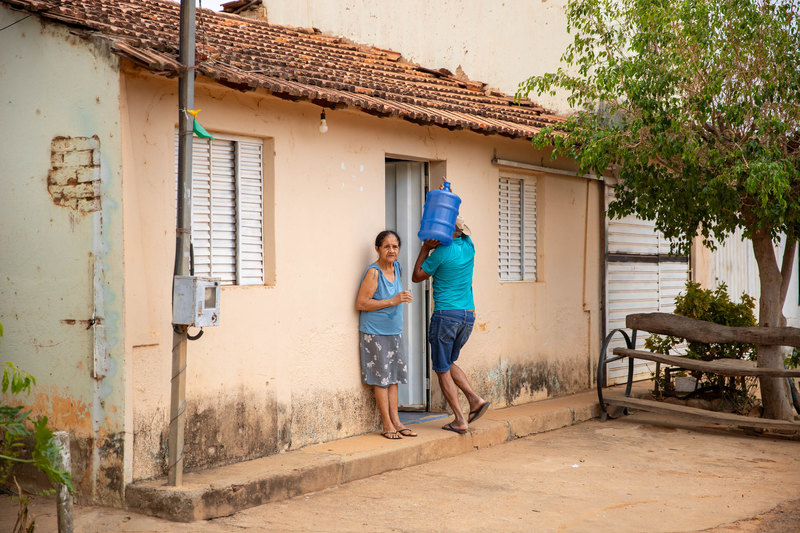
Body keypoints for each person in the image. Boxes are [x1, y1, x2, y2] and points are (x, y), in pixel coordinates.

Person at [412, 186, 490, 434]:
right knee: (448, 362)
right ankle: (475, 400)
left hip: (446, 315)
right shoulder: (469, 246)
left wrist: (425, 248)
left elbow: (416, 277)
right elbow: (457, 222)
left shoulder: (439, 254)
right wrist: (450, 196)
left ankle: (459, 419)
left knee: (441, 368)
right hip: (468, 315)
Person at [356, 230, 418, 440]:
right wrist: (393, 300)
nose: (391, 250)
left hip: (394, 332)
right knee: (381, 379)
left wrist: (399, 299)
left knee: (393, 379)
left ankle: (397, 421)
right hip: (375, 333)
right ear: (377, 249)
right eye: (387, 246)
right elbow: (361, 303)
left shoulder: (397, 267)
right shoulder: (373, 273)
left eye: (395, 246)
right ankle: (386, 424)